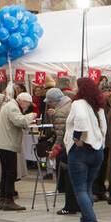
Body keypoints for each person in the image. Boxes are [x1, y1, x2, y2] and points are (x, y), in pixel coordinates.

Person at [65, 77, 108, 222]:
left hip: (80, 152)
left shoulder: (78, 103)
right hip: (97, 151)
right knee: (87, 188)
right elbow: (104, 128)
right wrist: (99, 142)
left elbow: (81, 120)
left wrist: (77, 137)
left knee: (80, 189)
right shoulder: (99, 106)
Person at [0, 91, 36, 211]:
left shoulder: (9, 106)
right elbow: (19, 121)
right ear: (22, 101)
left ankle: (3, 200)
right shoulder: (13, 107)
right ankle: (8, 200)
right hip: (8, 144)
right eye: (28, 104)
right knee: (10, 173)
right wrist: (32, 116)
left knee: (5, 173)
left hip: (4, 144)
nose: (27, 107)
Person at [46, 87, 79, 215]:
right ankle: (77, 204)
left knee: (68, 176)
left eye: (49, 101)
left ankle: (69, 205)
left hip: (67, 146)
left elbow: (60, 134)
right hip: (76, 145)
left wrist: (55, 149)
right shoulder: (70, 104)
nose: (49, 104)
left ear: (54, 101)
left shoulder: (60, 111)